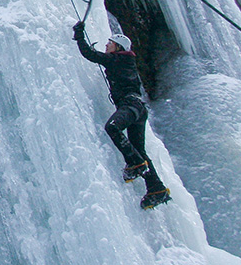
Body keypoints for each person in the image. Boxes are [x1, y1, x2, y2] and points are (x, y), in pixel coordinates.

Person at [72, 21, 171, 209]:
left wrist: (79, 34)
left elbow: (90, 54)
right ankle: (156, 188)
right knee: (139, 149)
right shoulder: (124, 60)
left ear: (118, 47)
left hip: (130, 105)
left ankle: (135, 164)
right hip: (138, 108)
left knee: (112, 127)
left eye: (110, 43)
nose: (107, 45)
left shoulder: (118, 59)